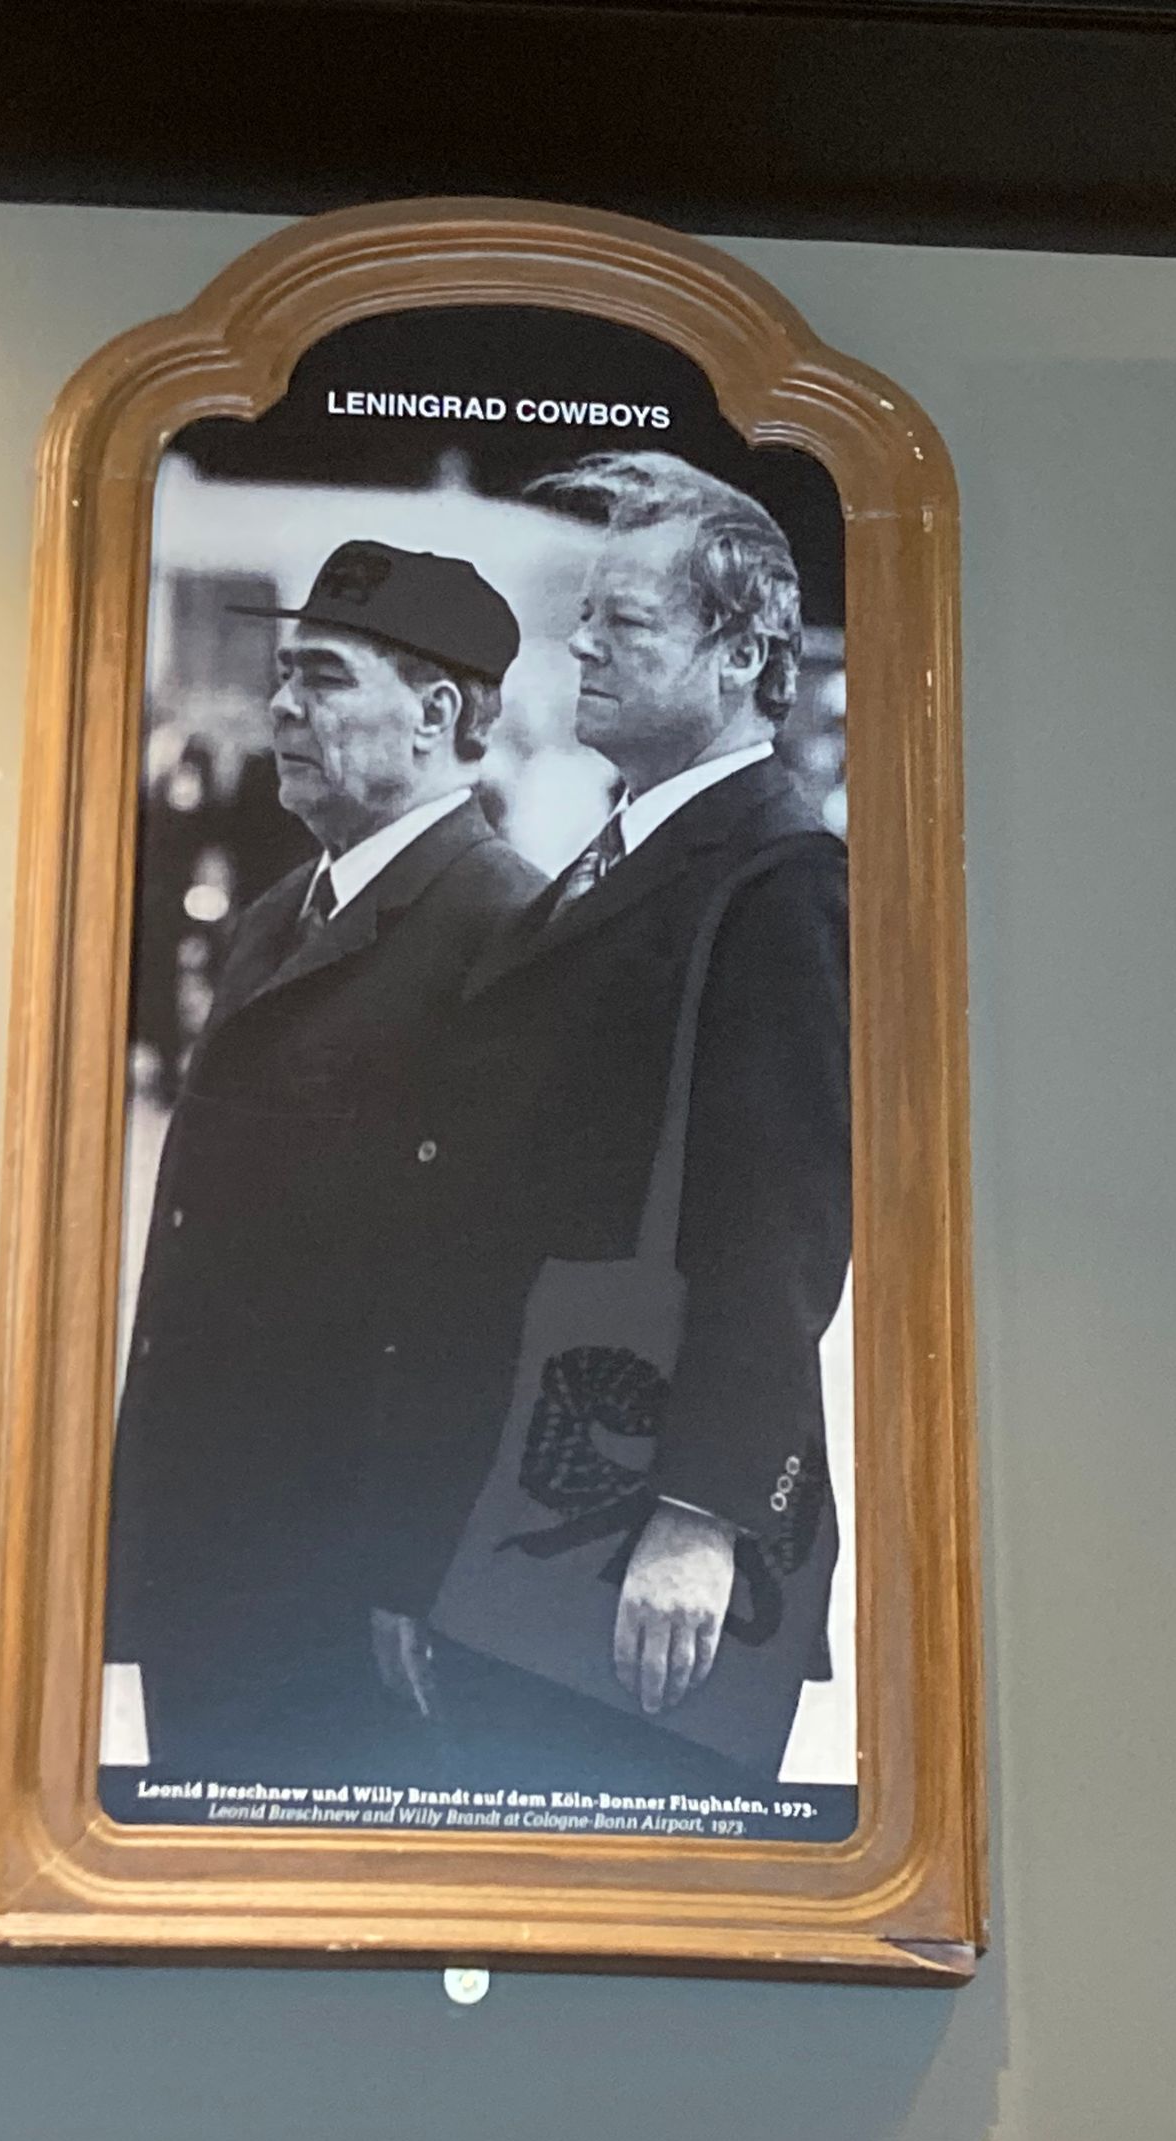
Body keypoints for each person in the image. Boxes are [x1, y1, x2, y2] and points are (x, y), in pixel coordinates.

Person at [370, 453, 851, 1786]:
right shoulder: (622, 855)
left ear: (741, 654)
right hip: (516, 1508)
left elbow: (782, 1226)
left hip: (631, 1541)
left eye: (626, 621)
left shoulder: (782, 881)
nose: (580, 644)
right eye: (585, 615)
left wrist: (706, 1515)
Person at [105, 539, 540, 1771]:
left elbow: (491, 1293)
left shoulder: (504, 931)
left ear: (437, 714)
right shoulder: (276, 918)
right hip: (217, 1551)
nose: (283, 705)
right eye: (286, 674)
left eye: (327, 678)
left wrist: (420, 1569)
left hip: (346, 1588)